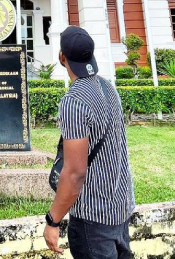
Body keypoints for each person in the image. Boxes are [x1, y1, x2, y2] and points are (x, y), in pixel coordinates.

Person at [43, 25, 135, 258]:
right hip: (120, 209)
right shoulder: (108, 88)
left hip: (93, 219)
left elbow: (75, 173)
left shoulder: (73, 101)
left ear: (62, 57)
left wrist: (52, 221)